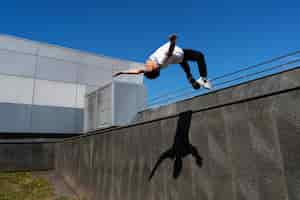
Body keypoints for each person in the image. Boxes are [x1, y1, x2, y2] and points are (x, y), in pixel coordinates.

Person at [113, 34, 212, 90]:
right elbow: (169, 53)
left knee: (185, 67)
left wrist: (122, 72)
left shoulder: (152, 66)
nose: (146, 63)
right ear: (152, 68)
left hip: (178, 59)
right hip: (182, 54)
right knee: (200, 56)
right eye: (147, 65)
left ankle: (190, 78)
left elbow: (137, 71)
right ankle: (203, 79)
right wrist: (173, 42)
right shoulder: (160, 61)